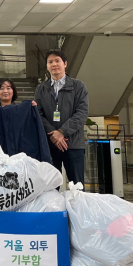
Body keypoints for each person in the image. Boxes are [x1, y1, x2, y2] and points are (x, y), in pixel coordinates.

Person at [34, 49, 89, 187]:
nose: (54, 64)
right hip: (50, 145)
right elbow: (38, 114)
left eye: (57, 61)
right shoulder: (41, 89)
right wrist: (54, 134)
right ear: (47, 66)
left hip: (73, 143)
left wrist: (62, 132)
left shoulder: (78, 86)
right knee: (50, 188)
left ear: (65, 64)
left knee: (77, 187)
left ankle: (77, 209)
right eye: (50, 62)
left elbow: (82, 113)